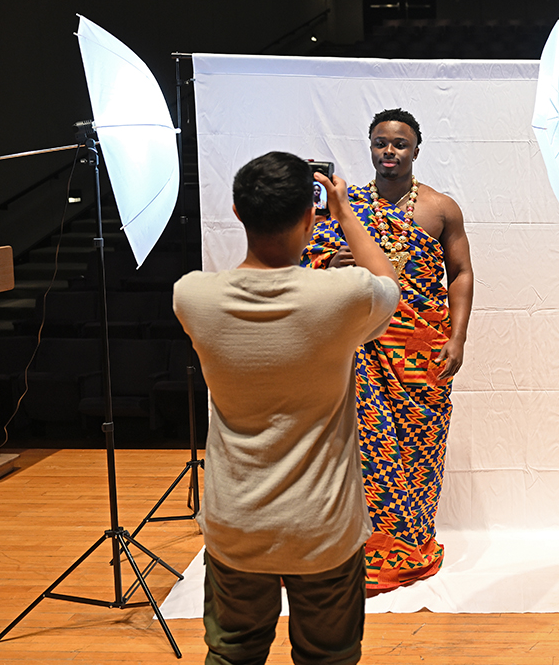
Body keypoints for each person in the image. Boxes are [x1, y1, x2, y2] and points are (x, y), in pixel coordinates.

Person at [174, 152, 400, 664]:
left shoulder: (191, 296)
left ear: (236, 211)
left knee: (233, 654)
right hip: (322, 525)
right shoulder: (343, 296)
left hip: (236, 523)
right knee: (329, 656)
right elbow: (390, 283)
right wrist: (345, 213)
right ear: (310, 215)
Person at [303, 108, 474, 594]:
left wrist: (457, 337)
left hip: (424, 350)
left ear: (416, 149)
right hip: (362, 346)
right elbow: (304, 265)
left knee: (420, 448)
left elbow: (461, 273)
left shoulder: (441, 209)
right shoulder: (346, 207)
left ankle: (413, 544)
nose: (389, 152)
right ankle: (364, 546)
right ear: (370, 146)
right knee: (367, 452)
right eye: (380, 143)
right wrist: (332, 264)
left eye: (399, 144)